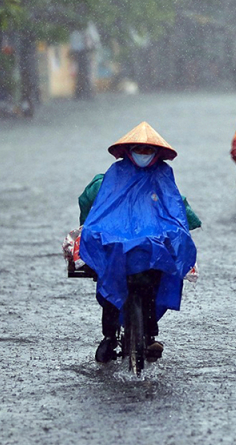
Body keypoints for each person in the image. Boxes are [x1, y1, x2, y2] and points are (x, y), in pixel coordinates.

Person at [77, 122, 201, 363]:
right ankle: (111, 336)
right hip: (118, 245)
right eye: (139, 149)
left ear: (156, 153)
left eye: (147, 150)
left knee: (149, 281)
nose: (143, 155)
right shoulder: (111, 177)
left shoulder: (163, 176)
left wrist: (184, 230)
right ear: (129, 150)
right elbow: (94, 209)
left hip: (149, 248)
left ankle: (141, 332)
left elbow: (176, 206)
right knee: (113, 278)